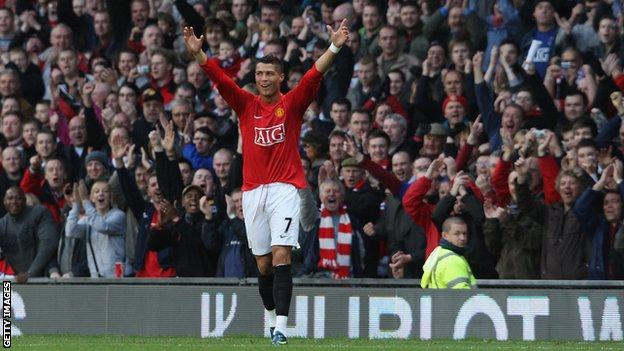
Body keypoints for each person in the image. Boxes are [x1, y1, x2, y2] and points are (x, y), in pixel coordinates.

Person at [184, 18, 350, 345]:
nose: (263, 78)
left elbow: (314, 74)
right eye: (259, 73)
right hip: (252, 192)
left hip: (285, 189)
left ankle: (282, 329)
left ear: (281, 78)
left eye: (269, 73)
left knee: (281, 255)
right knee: (262, 264)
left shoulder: (292, 103)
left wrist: (334, 46)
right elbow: (220, 80)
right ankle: (272, 319)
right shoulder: (245, 105)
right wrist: (199, 55)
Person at [0, 187, 58, 282]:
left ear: (25, 200)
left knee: (41, 296)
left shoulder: (39, 213)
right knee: (7, 296)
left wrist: (30, 273)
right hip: (10, 278)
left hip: (44, 276)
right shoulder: (2, 224)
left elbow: (48, 244)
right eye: (10, 198)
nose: (14, 201)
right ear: (4, 201)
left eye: (18, 198)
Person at [421, 216, 476, 289]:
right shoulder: (452, 260)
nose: (462, 238)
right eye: (457, 234)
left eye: (464, 233)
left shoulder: (439, 253)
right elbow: (463, 295)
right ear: (444, 235)